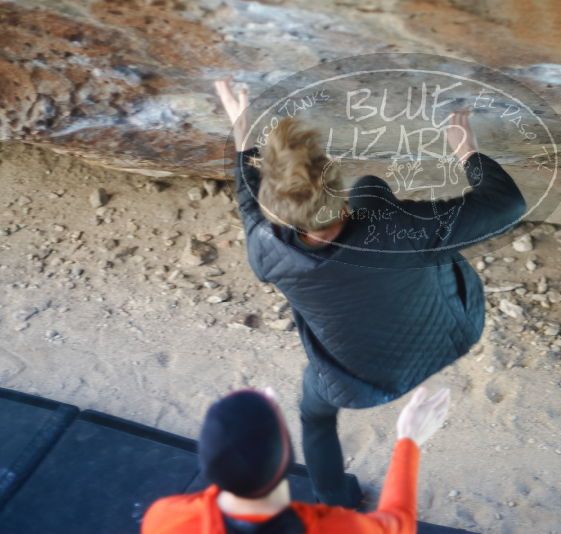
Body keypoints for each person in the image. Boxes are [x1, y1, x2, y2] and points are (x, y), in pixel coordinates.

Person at [214, 79, 525, 507]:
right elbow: (507, 204)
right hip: (451, 333)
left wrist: (242, 129)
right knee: (373, 191)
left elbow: (249, 201)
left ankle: (334, 499)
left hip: (350, 381)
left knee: (315, 417)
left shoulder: (264, 251)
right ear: (340, 206)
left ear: (277, 215)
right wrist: (465, 149)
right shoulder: (399, 230)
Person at [141, 386, 450, 534]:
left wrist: (250, 428)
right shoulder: (337, 529)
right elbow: (398, 523)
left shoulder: (164, 519)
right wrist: (409, 439)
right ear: (288, 457)